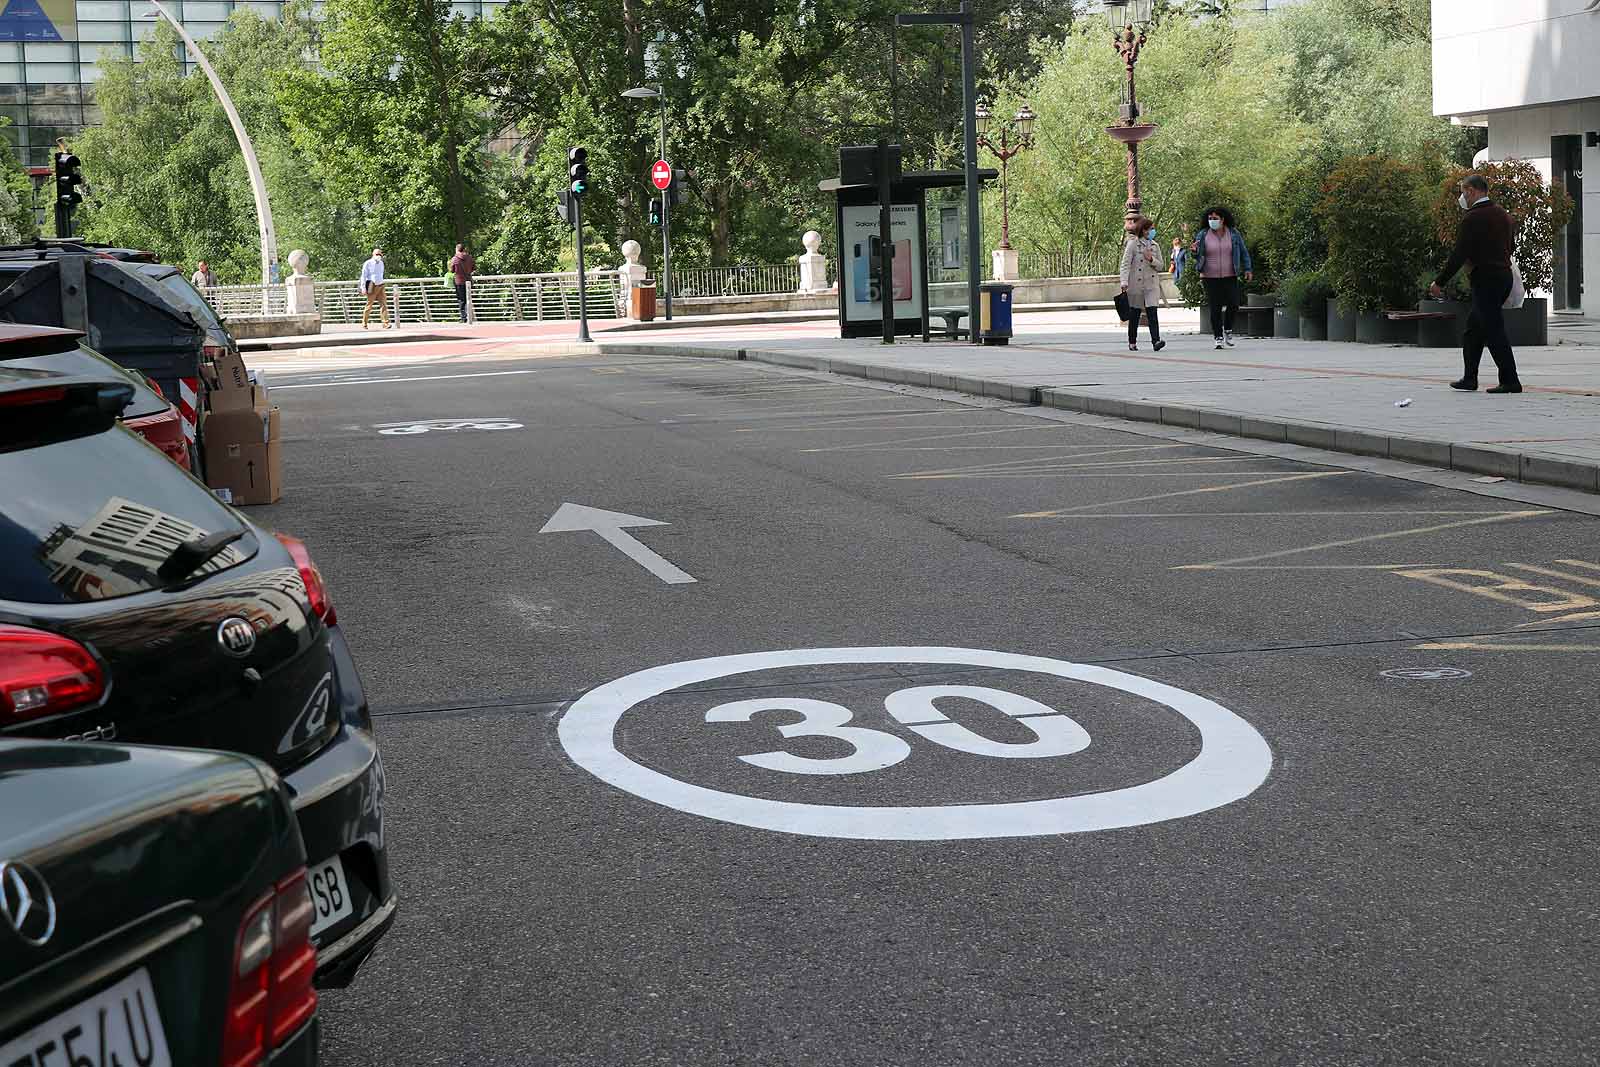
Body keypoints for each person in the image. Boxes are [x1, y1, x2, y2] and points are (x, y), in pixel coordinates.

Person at [1430, 174, 1520, 394]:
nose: (1463, 197)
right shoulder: (1503, 215)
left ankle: (1510, 381)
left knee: (1493, 328)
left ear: (1471, 190)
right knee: (1474, 329)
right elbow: (1511, 246)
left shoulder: (1473, 218)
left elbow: (1460, 253)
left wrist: (1439, 281)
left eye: (1463, 192)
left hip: (1486, 278)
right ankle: (1469, 378)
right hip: (1503, 276)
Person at [1191, 206, 1253, 349]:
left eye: (1215, 218)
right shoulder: (1203, 234)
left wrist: (1248, 268)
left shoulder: (1233, 234)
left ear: (1223, 219)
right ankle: (1218, 336)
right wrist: (1194, 251)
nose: (1212, 221)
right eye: (1210, 218)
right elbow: (1196, 255)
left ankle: (1228, 329)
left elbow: (1243, 252)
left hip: (1230, 274)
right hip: (1209, 276)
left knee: (1233, 303)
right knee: (1215, 306)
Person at [1120, 217, 1166, 352]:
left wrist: (1151, 259)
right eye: (1150, 229)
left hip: (1151, 284)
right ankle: (1132, 341)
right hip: (1136, 284)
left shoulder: (1155, 245)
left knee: (1153, 312)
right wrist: (1124, 281)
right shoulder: (1133, 244)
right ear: (1143, 230)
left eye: (1153, 228)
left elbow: (1161, 266)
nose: (1152, 231)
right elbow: (1125, 264)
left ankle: (1156, 341)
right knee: (1134, 314)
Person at [360, 247, 390, 329]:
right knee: (369, 305)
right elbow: (363, 276)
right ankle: (364, 323)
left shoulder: (381, 263)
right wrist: (363, 287)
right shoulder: (368, 263)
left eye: (380, 254)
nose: (379, 255)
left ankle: (385, 323)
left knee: (383, 305)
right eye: (377, 254)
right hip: (372, 286)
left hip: (381, 285)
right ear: (373, 254)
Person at [448, 243, 476, 323]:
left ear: (457, 249)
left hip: (459, 281)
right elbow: (474, 268)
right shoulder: (469, 258)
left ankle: (463, 318)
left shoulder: (454, 259)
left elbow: (452, 270)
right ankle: (470, 316)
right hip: (468, 281)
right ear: (464, 249)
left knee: (461, 300)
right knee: (469, 298)